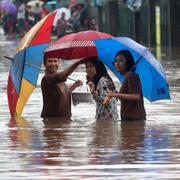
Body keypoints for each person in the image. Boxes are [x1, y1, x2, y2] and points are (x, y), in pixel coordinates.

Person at [106, 50, 146, 121]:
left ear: (128, 62)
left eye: (121, 61)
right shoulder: (127, 76)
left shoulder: (131, 75)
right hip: (128, 120)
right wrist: (114, 90)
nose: (117, 63)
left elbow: (136, 96)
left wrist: (115, 94)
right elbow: (125, 100)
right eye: (116, 61)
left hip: (134, 121)